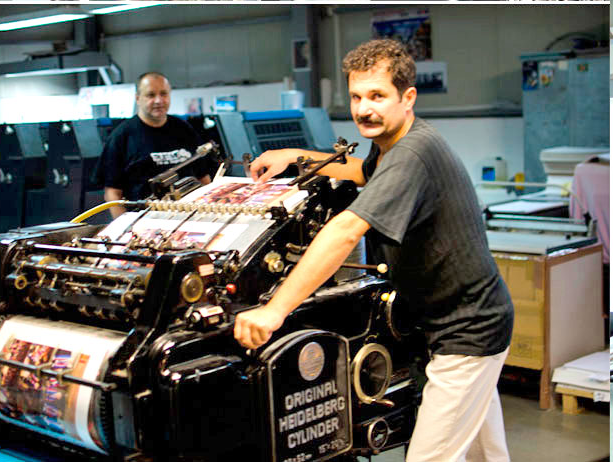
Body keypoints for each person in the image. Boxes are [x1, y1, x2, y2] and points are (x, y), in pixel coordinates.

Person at [233, 38, 514, 462]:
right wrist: (295, 155)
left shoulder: (413, 153)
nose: (364, 109)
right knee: (484, 454)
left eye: (378, 96)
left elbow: (346, 230)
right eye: (357, 97)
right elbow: (359, 170)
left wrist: (275, 310)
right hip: (457, 321)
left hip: (467, 330)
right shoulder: (392, 145)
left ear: (408, 97)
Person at [95, 72, 211, 218]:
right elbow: (112, 193)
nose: (158, 100)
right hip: (145, 219)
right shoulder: (121, 137)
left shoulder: (184, 129)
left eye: (163, 94)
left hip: (189, 216)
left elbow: (203, 178)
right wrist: (125, 226)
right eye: (150, 95)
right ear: (138, 98)